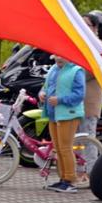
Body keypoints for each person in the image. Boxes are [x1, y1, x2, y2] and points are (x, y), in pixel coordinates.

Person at [39, 55, 86, 193]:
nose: (58, 58)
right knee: (58, 148)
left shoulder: (76, 70)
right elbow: (45, 87)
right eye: (56, 55)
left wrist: (60, 100)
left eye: (61, 56)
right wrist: (42, 93)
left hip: (68, 114)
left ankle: (70, 181)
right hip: (53, 114)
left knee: (65, 148)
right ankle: (63, 179)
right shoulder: (53, 69)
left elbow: (79, 94)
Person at [74, 13, 102, 187]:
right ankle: (79, 172)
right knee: (76, 139)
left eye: (87, 25)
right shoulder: (77, 43)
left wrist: (72, 76)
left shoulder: (98, 46)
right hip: (73, 99)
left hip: (89, 99)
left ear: (95, 28)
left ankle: (91, 174)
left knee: (87, 137)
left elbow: (91, 71)